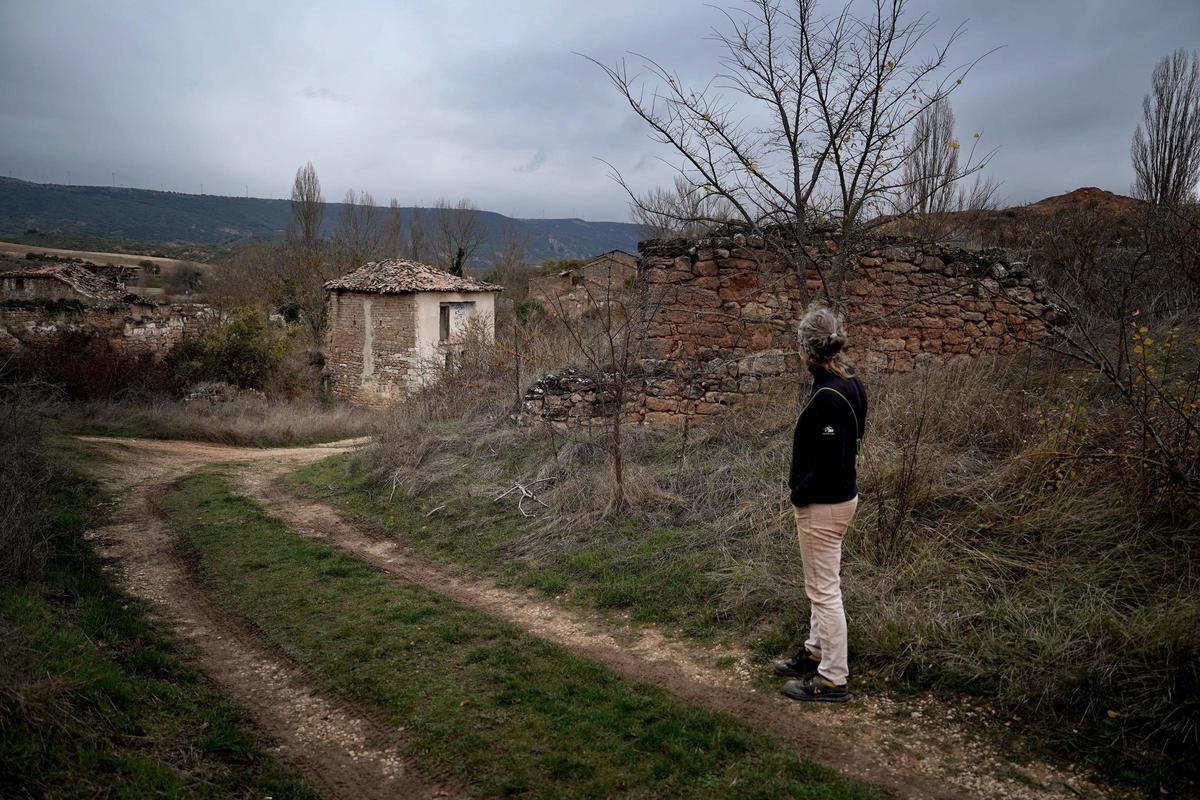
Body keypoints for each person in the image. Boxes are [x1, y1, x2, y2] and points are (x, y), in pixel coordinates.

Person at [775, 303, 867, 703]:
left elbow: (828, 459)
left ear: (804, 346)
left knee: (824, 591)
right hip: (844, 496)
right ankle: (815, 651)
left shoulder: (828, 393)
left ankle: (832, 677)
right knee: (822, 584)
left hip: (824, 503)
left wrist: (800, 492)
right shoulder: (849, 378)